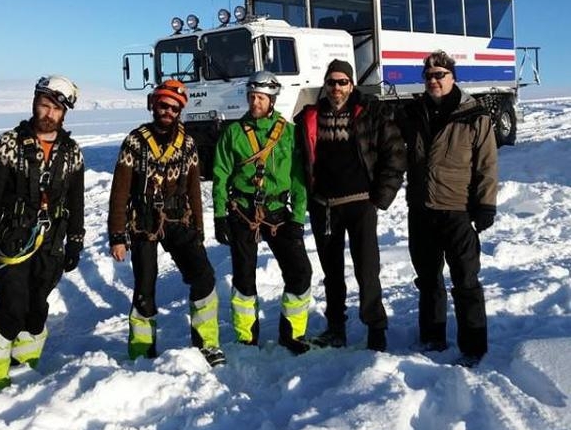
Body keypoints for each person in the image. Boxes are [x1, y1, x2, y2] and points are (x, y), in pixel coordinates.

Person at [0, 76, 85, 393]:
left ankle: (24, 367)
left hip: (52, 244)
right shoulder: (8, 145)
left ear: (64, 114)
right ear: (35, 103)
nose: (47, 113)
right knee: (13, 306)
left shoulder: (72, 152)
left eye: (54, 108)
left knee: (37, 309)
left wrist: (75, 239)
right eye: (43, 104)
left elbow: (76, 200)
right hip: (14, 239)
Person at [108, 79, 225, 367]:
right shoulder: (135, 142)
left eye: (174, 107)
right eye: (163, 105)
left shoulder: (186, 143)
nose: (167, 111)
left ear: (180, 111)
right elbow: (120, 191)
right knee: (144, 289)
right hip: (144, 221)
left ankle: (207, 343)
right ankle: (141, 351)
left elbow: (194, 189)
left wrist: (198, 229)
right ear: (153, 105)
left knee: (204, 277)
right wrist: (117, 235)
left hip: (178, 218)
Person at [295, 59, 405, 351]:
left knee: (367, 270)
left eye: (342, 82)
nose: (336, 88)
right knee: (331, 273)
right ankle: (335, 329)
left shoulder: (371, 114)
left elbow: (394, 154)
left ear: (351, 85)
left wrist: (382, 197)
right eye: (331, 82)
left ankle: (376, 329)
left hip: (360, 205)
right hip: (324, 207)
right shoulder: (310, 117)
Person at [399, 50, 497, 366]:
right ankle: (432, 337)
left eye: (439, 75)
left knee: (466, 280)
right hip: (421, 208)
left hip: (457, 209)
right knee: (428, 279)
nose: (433, 81)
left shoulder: (473, 115)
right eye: (428, 76)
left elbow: (486, 164)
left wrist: (485, 204)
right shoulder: (413, 113)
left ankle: (473, 346)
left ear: (452, 77)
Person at [212, 70, 312, 354]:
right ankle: (246, 337)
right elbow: (220, 177)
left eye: (260, 98)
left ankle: (292, 333)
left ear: (272, 100)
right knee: (244, 277)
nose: (255, 103)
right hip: (242, 211)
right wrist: (220, 216)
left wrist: (297, 218)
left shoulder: (288, 133)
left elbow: (298, 180)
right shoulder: (232, 134)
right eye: (251, 97)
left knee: (300, 272)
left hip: (279, 213)